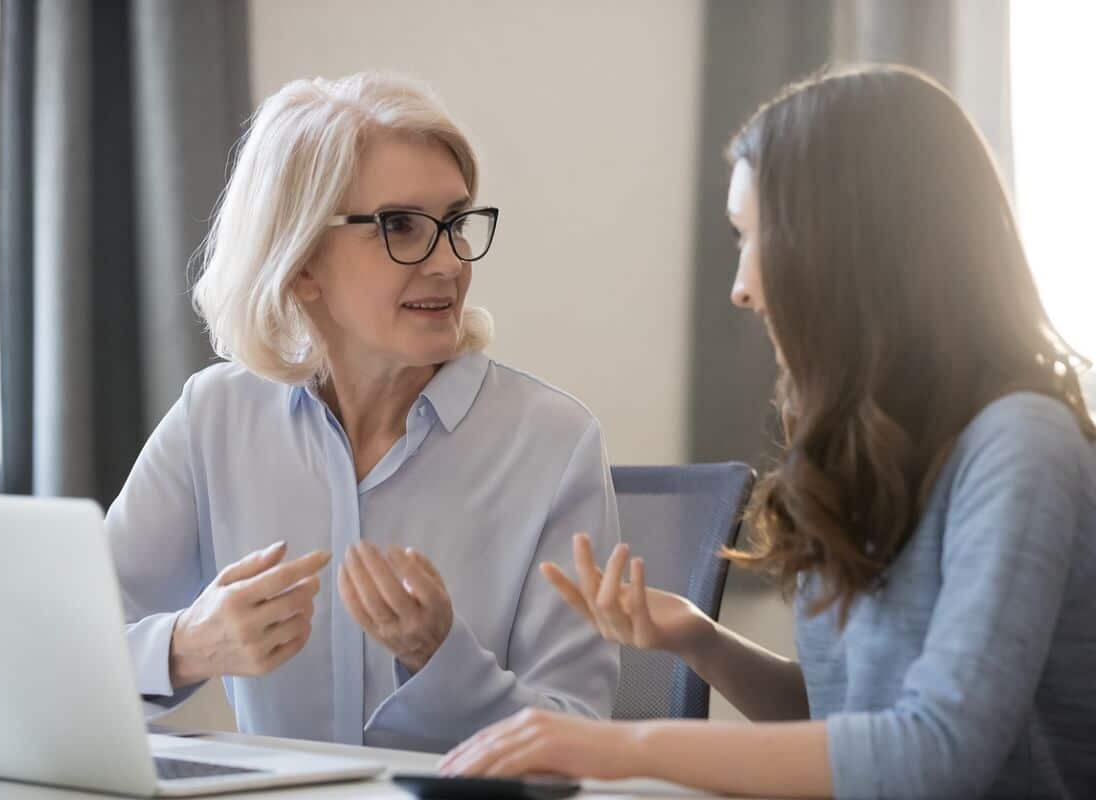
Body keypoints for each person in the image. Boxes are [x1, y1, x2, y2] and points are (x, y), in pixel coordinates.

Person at [441, 65, 1096, 799]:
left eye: (755, 238)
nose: (742, 286)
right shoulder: (868, 445)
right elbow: (844, 721)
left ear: (848, 246)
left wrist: (619, 746)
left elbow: (934, 755)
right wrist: (698, 639)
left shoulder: (1022, 445)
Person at [105, 72, 620, 753]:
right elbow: (68, 651)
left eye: (455, 222)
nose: (447, 263)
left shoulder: (555, 442)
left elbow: (579, 736)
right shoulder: (215, 417)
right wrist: (187, 647)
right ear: (301, 262)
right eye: (400, 226)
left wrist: (442, 661)